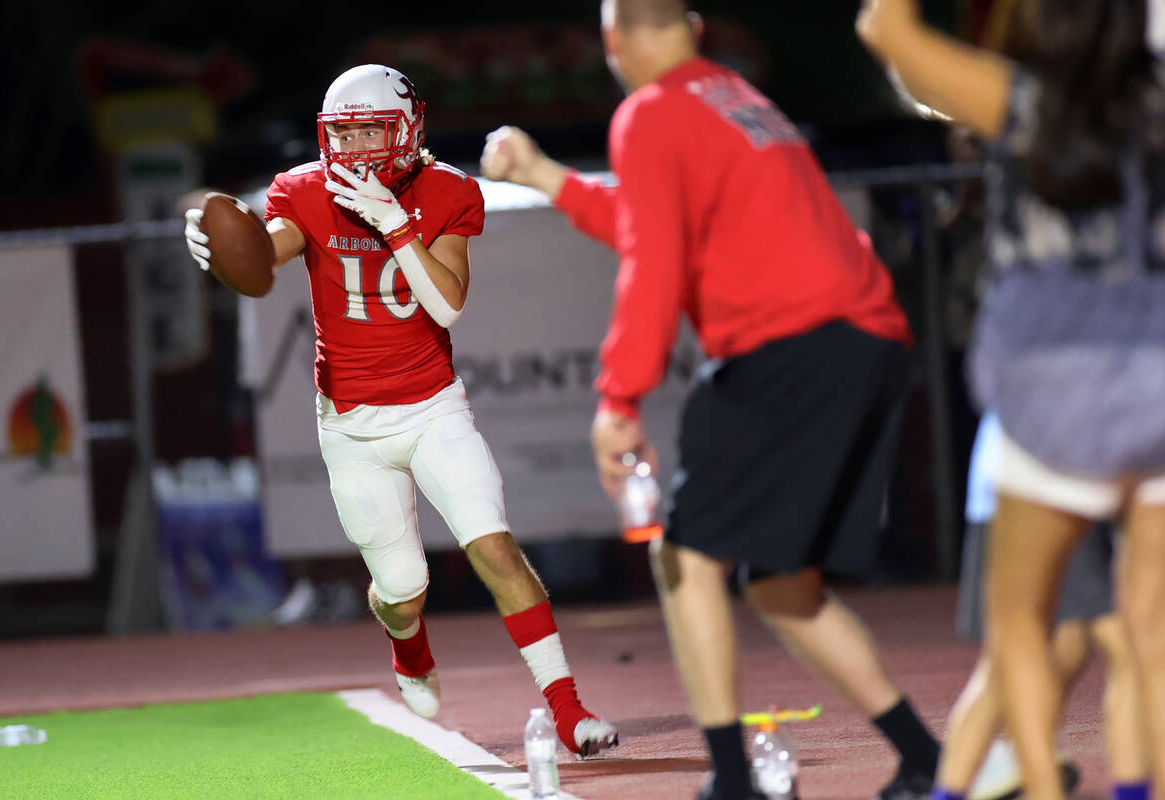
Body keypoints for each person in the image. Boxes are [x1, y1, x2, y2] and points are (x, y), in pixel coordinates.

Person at [481, 2, 940, 798]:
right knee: (783, 584)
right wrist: (546, 176)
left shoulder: (650, 114)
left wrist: (619, 397)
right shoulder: (733, 98)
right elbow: (648, 223)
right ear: (693, 28)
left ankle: (729, 780)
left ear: (611, 42)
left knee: (687, 555)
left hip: (786, 345)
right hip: (868, 339)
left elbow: (652, 265)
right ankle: (924, 757)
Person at [182, 64, 618, 757]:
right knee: (403, 588)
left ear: (408, 130)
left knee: (496, 548)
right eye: (342, 132)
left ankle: (568, 708)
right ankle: (407, 641)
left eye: (369, 130)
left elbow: (446, 303)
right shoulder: (303, 189)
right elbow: (264, 263)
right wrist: (221, 247)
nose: (353, 149)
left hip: (432, 407)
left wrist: (395, 225)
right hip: (352, 426)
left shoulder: (446, 191)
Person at [858, 1, 1165, 799]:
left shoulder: (1018, 99)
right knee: (1152, 636)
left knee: (1022, 623)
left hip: (1050, 389)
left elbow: (888, 31)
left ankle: (1040, 784)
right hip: (1157, 372)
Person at [942, 413, 1146, 800]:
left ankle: (1000, 761)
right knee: (1129, 650)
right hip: (1038, 481)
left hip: (1078, 482)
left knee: (1067, 647)